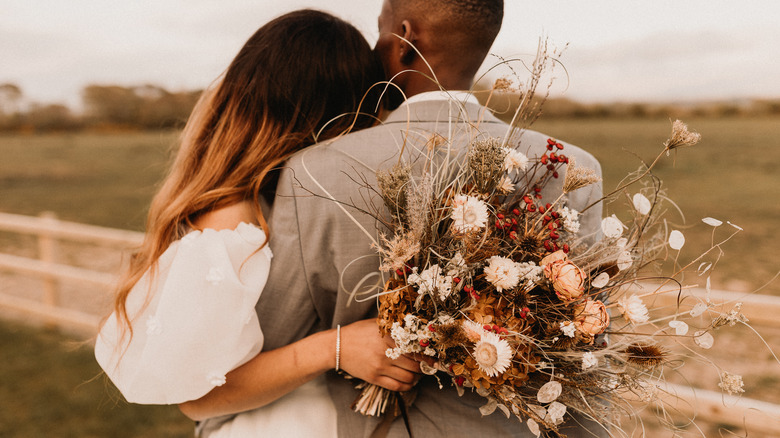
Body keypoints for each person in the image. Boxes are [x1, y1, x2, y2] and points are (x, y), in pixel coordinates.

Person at [246, 1, 608, 436]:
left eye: (380, 34)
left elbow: (270, 344)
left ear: (403, 38)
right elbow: (582, 329)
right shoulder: (572, 167)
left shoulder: (315, 171)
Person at [94, 9, 420, 438]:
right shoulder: (233, 223)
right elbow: (196, 398)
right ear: (336, 114)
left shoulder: (287, 199)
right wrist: (334, 348)